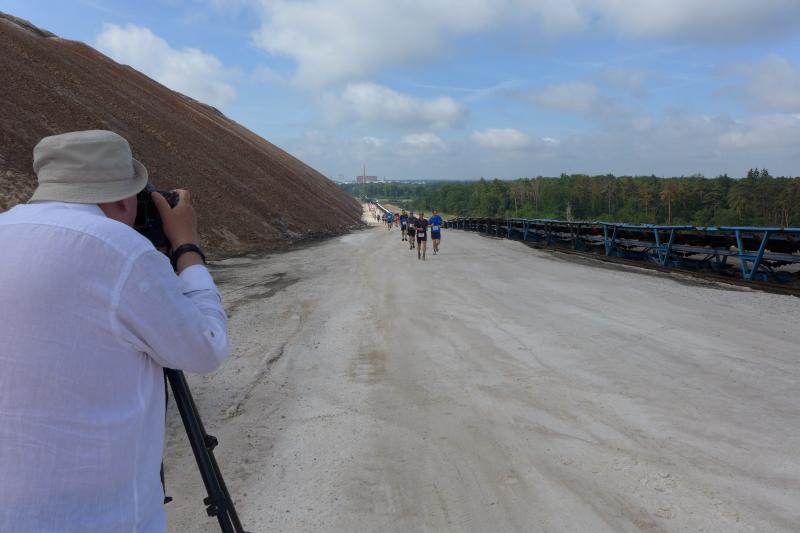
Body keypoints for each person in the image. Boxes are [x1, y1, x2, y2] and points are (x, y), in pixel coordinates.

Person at [0, 130, 230, 532]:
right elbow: (206, 348)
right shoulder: (121, 249)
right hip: (101, 517)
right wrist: (187, 249)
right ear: (125, 199)